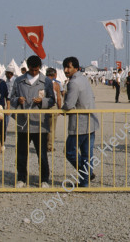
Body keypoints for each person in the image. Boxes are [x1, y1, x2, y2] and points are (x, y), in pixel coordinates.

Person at [10, 55, 55, 188]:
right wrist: (18, 100)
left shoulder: (46, 81)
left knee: (42, 154)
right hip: (23, 122)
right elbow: (11, 97)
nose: (34, 72)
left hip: (40, 123)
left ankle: (44, 179)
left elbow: (52, 99)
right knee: (22, 153)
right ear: (27, 67)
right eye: (31, 70)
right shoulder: (19, 81)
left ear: (39, 68)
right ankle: (21, 178)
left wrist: (43, 101)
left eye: (36, 70)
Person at [62, 56, 99, 188]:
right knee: (87, 154)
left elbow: (69, 104)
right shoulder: (83, 79)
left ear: (76, 68)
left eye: (69, 67)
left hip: (80, 123)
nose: (66, 70)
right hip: (91, 121)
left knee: (70, 152)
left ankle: (86, 175)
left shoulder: (74, 82)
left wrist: (62, 108)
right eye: (65, 67)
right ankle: (85, 181)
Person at [46, 67, 63, 152]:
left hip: (42, 107)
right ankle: (50, 146)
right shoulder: (56, 84)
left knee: (43, 127)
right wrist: (59, 108)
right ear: (55, 75)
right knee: (52, 128)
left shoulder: (42, 82)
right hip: (52, 107)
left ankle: (42, 144)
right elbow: (59, 98)